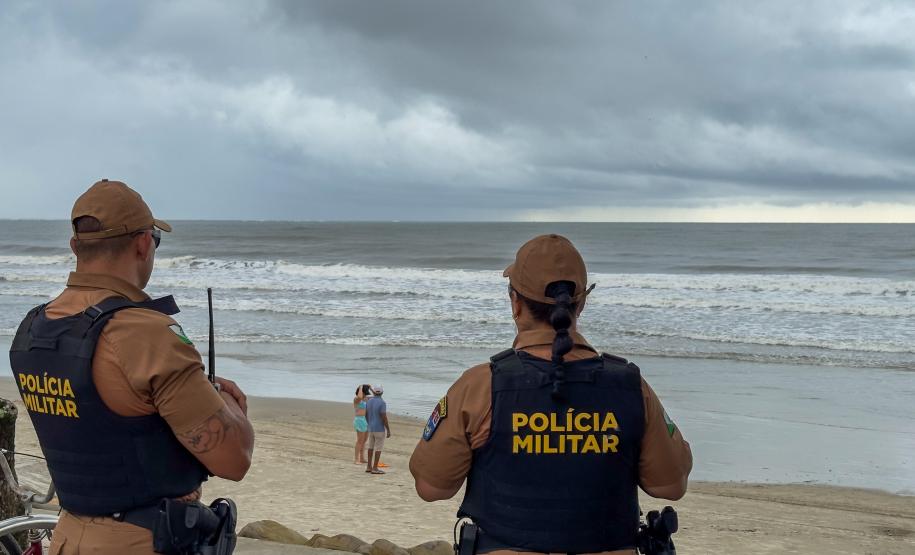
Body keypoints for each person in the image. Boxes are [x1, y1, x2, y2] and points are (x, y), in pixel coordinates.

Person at [9, 179, 255, 555]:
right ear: (143, 243)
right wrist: (228, 404)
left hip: (68, 535)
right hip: (141, 541)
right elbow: (233, 459)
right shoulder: (144, 333)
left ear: (76, 246)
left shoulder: (33, 329)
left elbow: (101, 421)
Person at [409, 234, 693, 555]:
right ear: (581, 302)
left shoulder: (481, 386)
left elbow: (431, 487)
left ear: (515, 303)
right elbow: (670, 486)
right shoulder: (630, 385)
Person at [364, 385, 391, 475]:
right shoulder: (382, 403)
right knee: (378, 448)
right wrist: (388, 429)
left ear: (374, 392)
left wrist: (369, 423)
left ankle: (369, 466)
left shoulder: (369, 401)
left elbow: (366, 414)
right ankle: (375, 468)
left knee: (370, 447)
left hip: (371, 428)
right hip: (379, 429)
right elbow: (384, 417)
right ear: (382, 392)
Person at [353, 384, 371, 464]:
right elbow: (359, 396)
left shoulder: (365, 399)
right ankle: (356, 459)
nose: (365, 394)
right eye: (364, 393)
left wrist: (370, 388)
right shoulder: (357, 399)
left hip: (365, 420)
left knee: (364, 440)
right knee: (359, 441)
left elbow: (377, 396)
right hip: (359, 420)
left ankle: (362, 458)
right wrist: (361, 387)